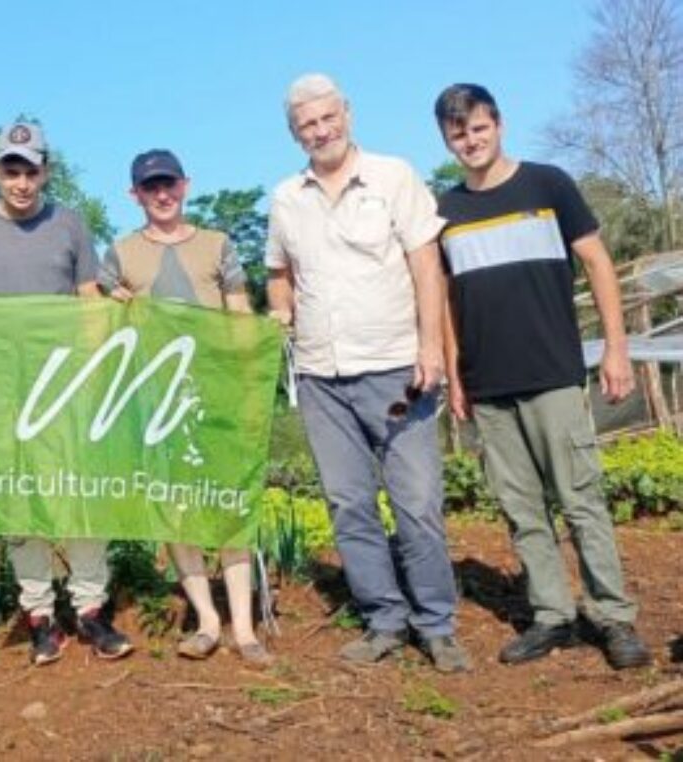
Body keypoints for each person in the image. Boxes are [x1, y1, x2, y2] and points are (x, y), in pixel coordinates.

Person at [433, 83, 651, 669]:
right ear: (446, 139)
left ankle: (612, 615)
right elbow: (449, 298)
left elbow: (599, 262)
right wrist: (456, 374)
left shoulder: (548, 185)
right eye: (458, 132)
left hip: (553, 372)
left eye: (478, 127)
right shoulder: (445, 212)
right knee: (521, 508)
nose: (470, 140)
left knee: (581, 500)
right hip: (489, 385)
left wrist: (615, 349)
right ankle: (552, 615)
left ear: (498, 125)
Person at [264, 74, 469, 672]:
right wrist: (281, 309)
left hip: (394, 367)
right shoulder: (286, 198)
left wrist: (431, 346)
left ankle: (436, 622)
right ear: (294, 133)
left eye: (328, 118)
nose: (321, 131)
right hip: (322, 377)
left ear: (347, 114)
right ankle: (384, 619)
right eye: (308, 124)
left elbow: (425, 263)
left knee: (417, 501)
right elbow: (280, 272)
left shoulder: (393, 176)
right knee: (349, 503)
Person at [0, 121, 133, 665]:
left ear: (45, 172)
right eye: (12, 170)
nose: (22, 182)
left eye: (31, 170)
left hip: (67, 385)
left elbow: (86, 298)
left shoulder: (71, 225)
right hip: (5, 393)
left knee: (80, 493)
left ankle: (91, 610)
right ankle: (38, 615)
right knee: (19, 502)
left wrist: (104, 344)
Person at [99, 148, 273, 666]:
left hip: (217, 392)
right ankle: (206, 622)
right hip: (158, 401)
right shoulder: (120, 253)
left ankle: (245, 629)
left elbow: (240, 313)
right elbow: (101, 310)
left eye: (169, 183)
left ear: (185, 184)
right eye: (150, 186)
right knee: (178, 509)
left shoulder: (218, 244)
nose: (162, 194)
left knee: (229, 505)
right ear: (135, 195)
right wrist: (116, 305)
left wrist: (249, 373)